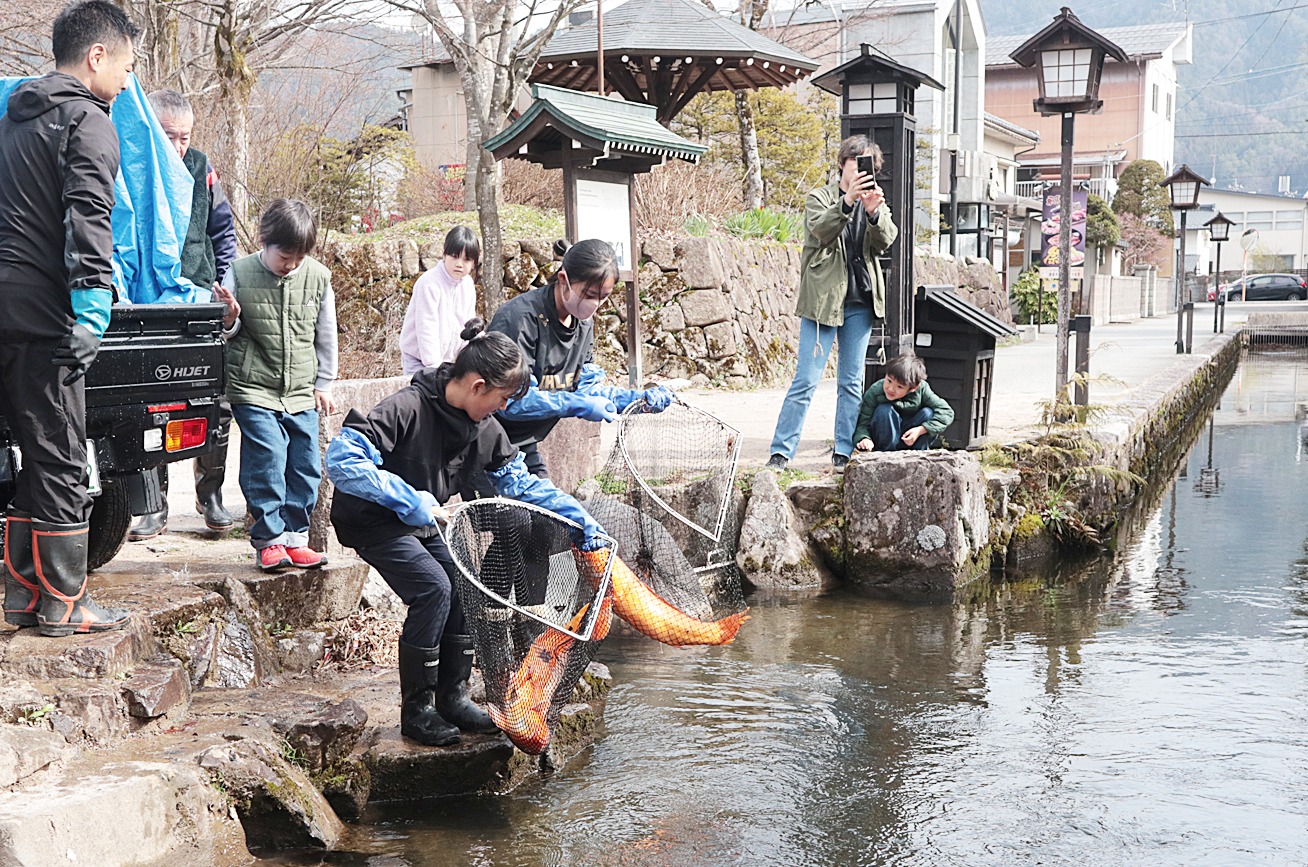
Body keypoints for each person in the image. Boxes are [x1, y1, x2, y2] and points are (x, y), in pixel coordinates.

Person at [325, 319, 606, 747]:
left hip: (422, 521)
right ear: (477, 386)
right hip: (373, 520)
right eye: (501, 399)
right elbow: (343, 460)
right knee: (433, 589)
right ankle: (417, 711)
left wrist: (580, 519)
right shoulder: (406, 407)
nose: (503, 409)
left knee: (462, 582)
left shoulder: (485, 429)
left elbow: (523, 485)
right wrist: (405, 497)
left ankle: (453, 697)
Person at [0, 1, 138, 637]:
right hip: (47, 316)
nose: (128, 82)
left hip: (6, 312)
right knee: (59, 455)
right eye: (127, 67)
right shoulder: (88, 121)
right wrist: (91, 309)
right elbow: (89, 217)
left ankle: (23, 595)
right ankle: (64, 602)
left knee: (32, 450)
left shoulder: (14, 119)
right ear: (97, 56)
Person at [128, 87, 240, 542]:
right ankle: (153, 506)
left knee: (214, 400)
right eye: (169, 136)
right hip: (148, 303)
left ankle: (209, 493)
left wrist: (225, 284)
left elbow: (223, 231)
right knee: (150, 405)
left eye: (184, 138)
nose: (178, 147)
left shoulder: (201, 167)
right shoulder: (132, 163)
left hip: (199, 295)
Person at [213, 198, 337, 572]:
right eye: (285, 255)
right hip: (253, 385)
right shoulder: (239, 272)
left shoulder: (317, 277)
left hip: (299, 388)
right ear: (265, 242)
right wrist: (230, 317)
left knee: (305, 464)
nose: (292, 264)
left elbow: (326, 335)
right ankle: (268, 539)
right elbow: (226, 332)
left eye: (299, 257)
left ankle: (296, 539)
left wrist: (324, 383)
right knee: (267, 457)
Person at [485, 238, 673, 485]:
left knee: (552, 515)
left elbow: (587, 388)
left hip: (523, 443)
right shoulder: (519, 320)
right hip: (483, 438)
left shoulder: (583, 324)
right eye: (589, 294)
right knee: (510, 518)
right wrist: (571, 403)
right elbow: (511, 400)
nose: (594, 305)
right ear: (563, 280)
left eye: (603, 297)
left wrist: (635, 401)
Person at [765, 135, 899, 474]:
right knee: (806, 379)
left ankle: (843, 450)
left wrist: (872, 214)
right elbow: (820, 230)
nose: (859, 172)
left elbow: (887, 240)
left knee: (851, 381)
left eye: (867, 166)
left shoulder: (874, 203)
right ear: (843, 163)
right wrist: (847, 203)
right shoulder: (819, 198)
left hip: (860, 303)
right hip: (822, 303)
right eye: (855, 163)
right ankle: (781, 452)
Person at [399, 225, 478, 375]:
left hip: (450, 361)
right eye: (454, 257)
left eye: (466, 260)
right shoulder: (429, 283)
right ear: (444, 254)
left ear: (473, 263)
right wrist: (435, 370)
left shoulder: (467, 284)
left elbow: (468, 327)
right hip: (419, 360)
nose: (459, 264)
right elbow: (426, 329)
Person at [853, 353, 955, 453]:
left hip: (911, 435)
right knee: (884, 410)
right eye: (889, 381)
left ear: (913, 388)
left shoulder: (922, 390)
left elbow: (947, 412)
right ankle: (885, 453)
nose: (891, 389)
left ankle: (919, 454)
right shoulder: (875, 391)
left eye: (899, 387)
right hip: (886, 437)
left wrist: (921, 429)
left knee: (928, 413)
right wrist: (864, 438)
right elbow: (863, 423)